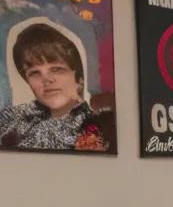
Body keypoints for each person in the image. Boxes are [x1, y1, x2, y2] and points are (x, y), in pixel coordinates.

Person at [0, 21, 109, 151]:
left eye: (56, 69)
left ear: (79, 78)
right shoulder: (13, 119)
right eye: (35, 73)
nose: (46, 80)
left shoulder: (95, 127)